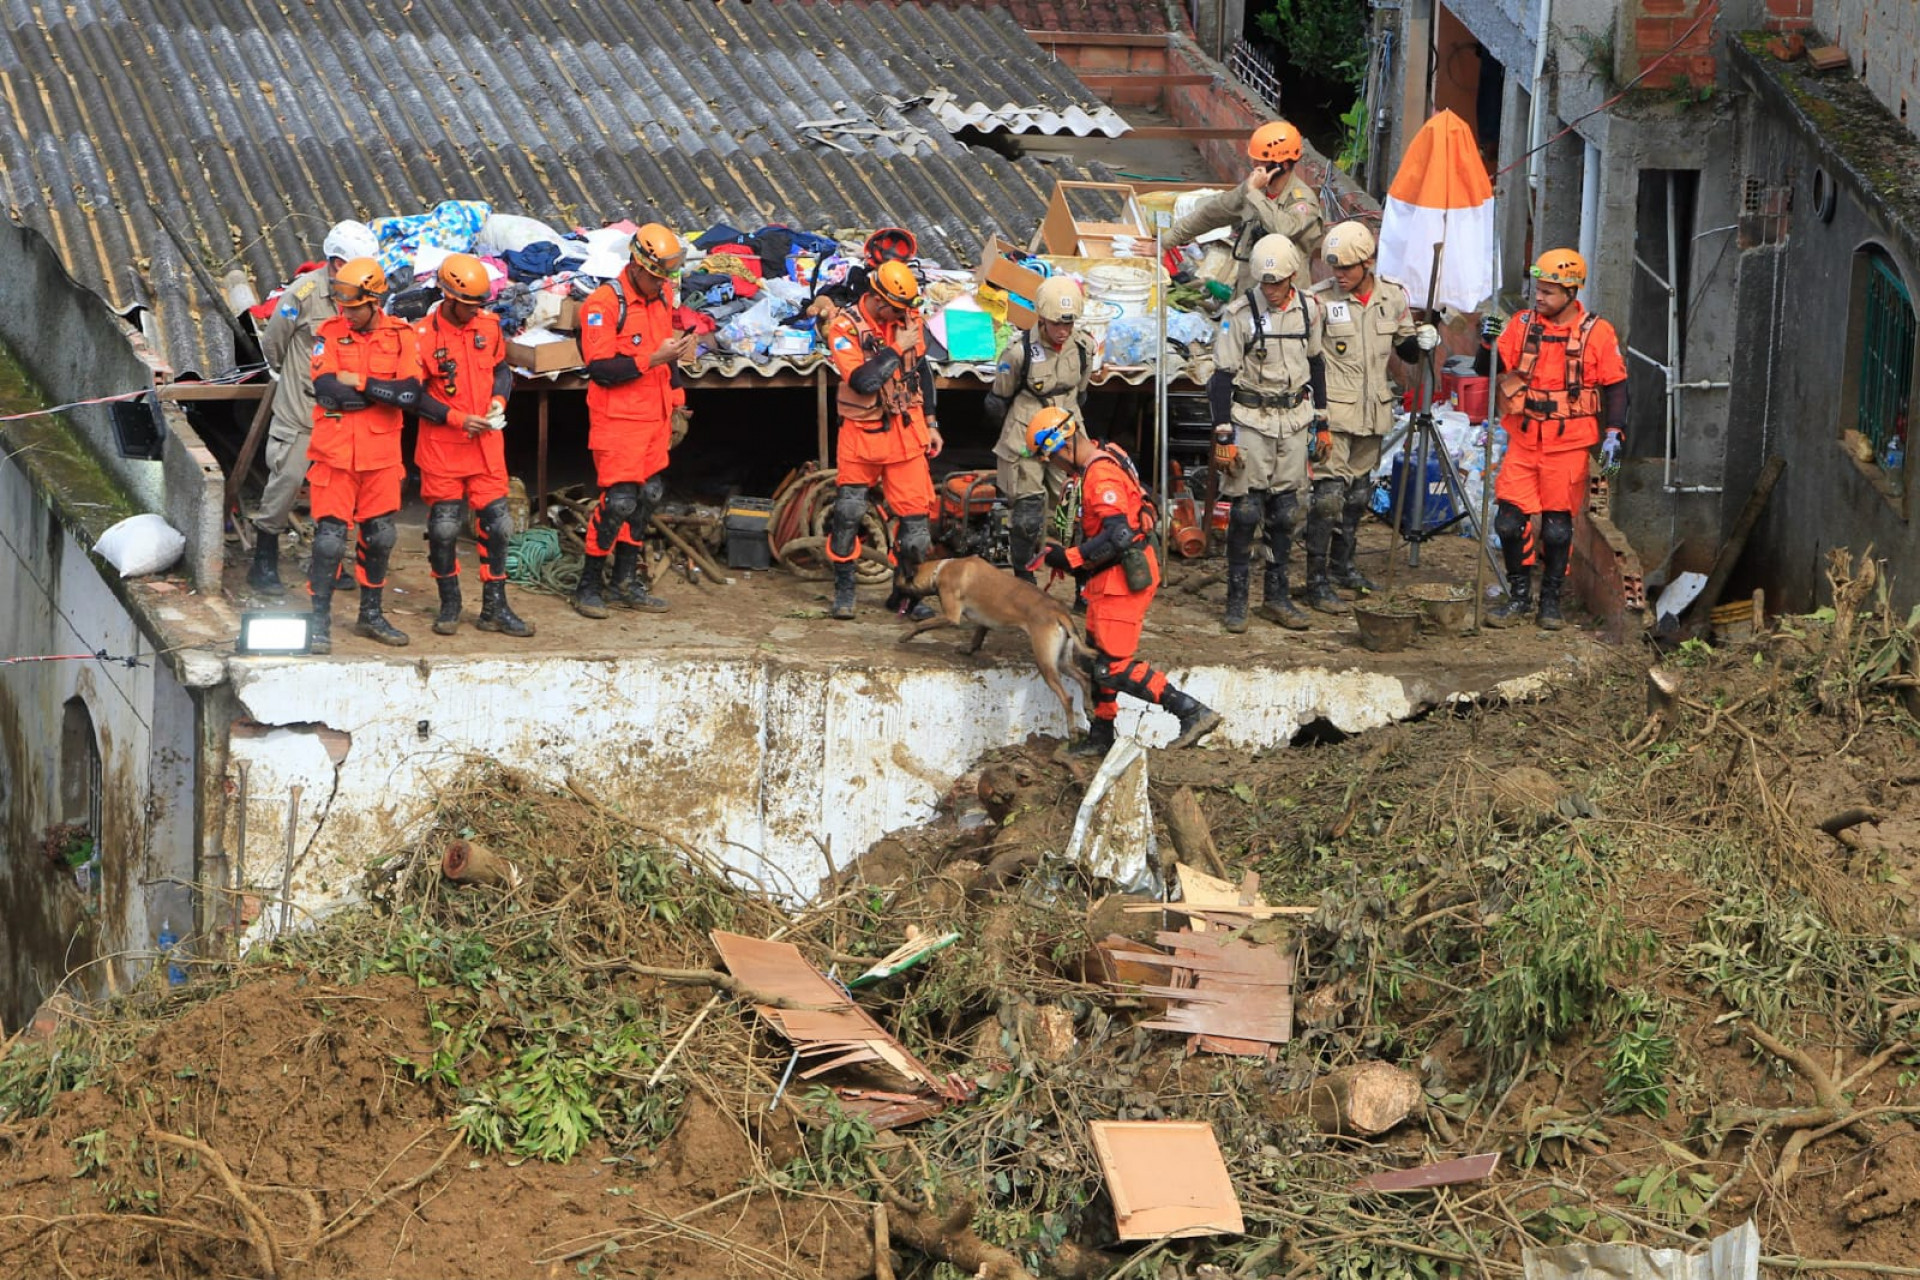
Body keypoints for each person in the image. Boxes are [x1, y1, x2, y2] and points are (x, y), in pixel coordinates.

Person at [1030, 409, 1220, 757]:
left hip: (1121, 577)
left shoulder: (1099, 475)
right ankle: (1102, 735)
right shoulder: (1111, 454)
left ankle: (1190, 710)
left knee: (1111, 665)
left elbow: (1117, 535)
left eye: (1051, 458)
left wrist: (1069, 559)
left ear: (1062, 447)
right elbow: (1144, 499)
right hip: (1109, 577)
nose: (1055, 467)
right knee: (1094, 657)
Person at [1488, 248, 1628, 631]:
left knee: (1556, 528)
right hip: (1524, 438)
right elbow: (1490, 367)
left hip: (1568, 446)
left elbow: (1616, 387)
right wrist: (1487, 343)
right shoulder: (1521, 324)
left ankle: (1550, 602)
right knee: (1507, 523)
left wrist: (1615, 431)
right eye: (1539, 290)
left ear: (1571, 292)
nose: (1540, 297)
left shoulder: (1597, 333)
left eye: (1548, 292)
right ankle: (1518, 596)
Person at [1304, 221, 1437, 613]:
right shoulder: (1318, 302)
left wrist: (1423, 339)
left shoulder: (1392, 299)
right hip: (1333, 414)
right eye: (1334, 268)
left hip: (1373, 412)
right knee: (1327, 498)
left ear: (1368, 263)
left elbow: (1406, 352)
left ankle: (1344, 566)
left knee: (1357, 496)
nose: (1339, 276)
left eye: (1347, 268)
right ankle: (1316, 580)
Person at [248, 219, 379, 594]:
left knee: (338, 488)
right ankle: (264, 561)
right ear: (337, 263)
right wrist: (293, 377)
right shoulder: (303, 293)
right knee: (287, 479)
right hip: (302, 407)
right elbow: (274, 342)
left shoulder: (365, 290)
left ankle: (328, 564)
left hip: (346, 407)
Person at [1208, 234, 1328, 633]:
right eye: (1265, 284)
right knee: (1246, 510)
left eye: (1278, 284)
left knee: (1286, 511)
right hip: (1251, 418)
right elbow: (1221, 378)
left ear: (1293, 276)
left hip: (1293, 418)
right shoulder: (1238, 314)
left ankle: (1276, 597)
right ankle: (1237, 599)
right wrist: (1223, 436)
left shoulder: (1310, 310)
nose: (1272, 291)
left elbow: (1316, 364)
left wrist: (1322, 423)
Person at [573, 223, 693, 620]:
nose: (661, 283)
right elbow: (602, 368)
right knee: (618, 502)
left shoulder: (663, 296)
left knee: (648, 498)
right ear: (636, 265)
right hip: (619, 421)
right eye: (656, 275)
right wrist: (651, 359)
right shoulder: (603, 305)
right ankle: (588, 586)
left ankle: (625, 582)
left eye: (665, 277)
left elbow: (670, 353)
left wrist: (677, 399)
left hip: (655, 417)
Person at [306, 258, 424, 653]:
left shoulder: (401, 336)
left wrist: (359, 383)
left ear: (374, 302)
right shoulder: (329, 332)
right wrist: (381, 391)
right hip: (335, 453)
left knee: (380, 536)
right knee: (329, 540)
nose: (347, 313)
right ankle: (318, 620)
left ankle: (370, 614)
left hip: (381, 455)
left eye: (354, 307)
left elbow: (410, 395)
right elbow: (326, 389)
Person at [412, 253, 532, 639]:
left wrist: (499, 400)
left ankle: (495, 607)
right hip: (443, 446)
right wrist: (455, 417)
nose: (473, 311)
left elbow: (501, 370)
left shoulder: (490, 326)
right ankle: (450, 603)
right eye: (466, 304)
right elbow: (412, 395)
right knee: (445, 529)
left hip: (486, 445)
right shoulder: (423, 336)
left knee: (499, 525)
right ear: (447, 296)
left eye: (477, 304)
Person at [823, 259, 943, 621]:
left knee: (918, 528)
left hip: (907, 435)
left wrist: (932, 421)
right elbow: (862, 381)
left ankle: (905, 593)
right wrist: (893, 349)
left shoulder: (908, 322)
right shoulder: (845, 327)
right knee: (847, 514)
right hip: (862, 436)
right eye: (896, 309)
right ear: (878, 299)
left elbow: (922, 370)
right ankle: (845, 589)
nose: (902, 316)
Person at [986, 277, 1097, 582]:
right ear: (1041, 319)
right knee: (1026, 514)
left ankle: (1082, 581)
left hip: (1067, 429)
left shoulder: (1084, 347)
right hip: (1026, 429)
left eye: (1069, 324)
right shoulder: (1018, 352)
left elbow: (1082, 391)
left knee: (1079, 509)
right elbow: (998, 400)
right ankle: (1024, 577)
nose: (1063, 331)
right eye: (1056, 324)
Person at [1165, 120, 1325, 292]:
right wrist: (1165, 241)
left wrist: (1254, 194)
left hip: (1284, 301)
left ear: (1282, 165)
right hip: (1248, 291)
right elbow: (1212, 214)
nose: (1256, 169)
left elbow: (1284, 230)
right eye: (1255, 162)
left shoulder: (1302, 201)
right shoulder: (1253, 189)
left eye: (1262, 163)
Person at [807, 226, 917, 318]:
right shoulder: (856, 275)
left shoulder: (906, 290)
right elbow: (825, 295)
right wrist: (823, 306)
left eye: (897, 310)